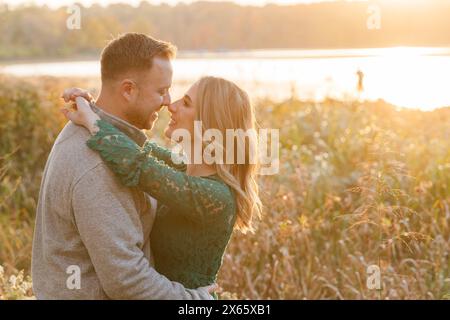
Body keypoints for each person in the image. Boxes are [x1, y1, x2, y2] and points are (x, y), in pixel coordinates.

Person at [31, 33, 214, 299]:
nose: (167, 101)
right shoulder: (98, 167)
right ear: (128, 90)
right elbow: (127, 281)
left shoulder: (96, 133)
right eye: (161, 91)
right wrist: (196, 301)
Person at [61, 75, 262, 295]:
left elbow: (136, 163)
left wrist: (91, 120)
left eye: (186, 103)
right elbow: (138, 147)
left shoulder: (216, 196)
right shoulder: (181, 169)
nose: (171, 106)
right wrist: (93, 108)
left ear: (208, 124)